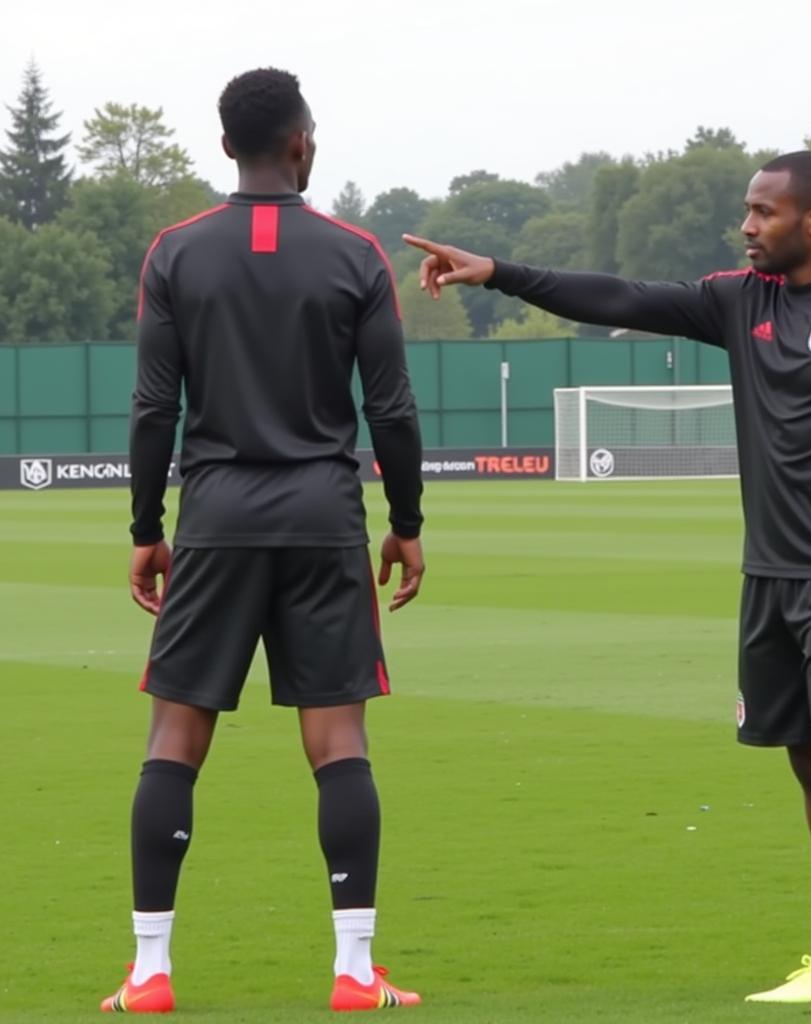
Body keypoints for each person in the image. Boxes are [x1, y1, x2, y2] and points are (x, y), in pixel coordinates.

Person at [403, 150, 811, 1005]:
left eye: (764, 212)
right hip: (769, 567)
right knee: (803, 756)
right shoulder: (739, 298)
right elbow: (618, 296)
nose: (747, 225)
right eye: (747, 210)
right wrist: (497, 272)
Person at [103, 68, 425, 1014]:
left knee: (174, 740)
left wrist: (144, 528)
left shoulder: (175, 253)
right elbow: (393, 410)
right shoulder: (357, 254)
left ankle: (150, 973)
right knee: (339, 745)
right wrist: (406, 523)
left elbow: (154, 406)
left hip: (215, 523)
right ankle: (356, 972)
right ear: (299, 145)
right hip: (324, 522)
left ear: (225, 145)